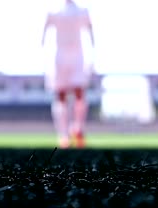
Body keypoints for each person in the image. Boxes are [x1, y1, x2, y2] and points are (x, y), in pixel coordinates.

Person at [41, 0, 95, 149]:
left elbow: (90, 31)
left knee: (79, 92)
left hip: (77, 56)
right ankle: (63, 135)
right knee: (61, 95)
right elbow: (44, 32)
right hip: (59, 56)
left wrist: (93, 56)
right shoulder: (54, 11)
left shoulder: (82, 11)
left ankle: (78, 128)